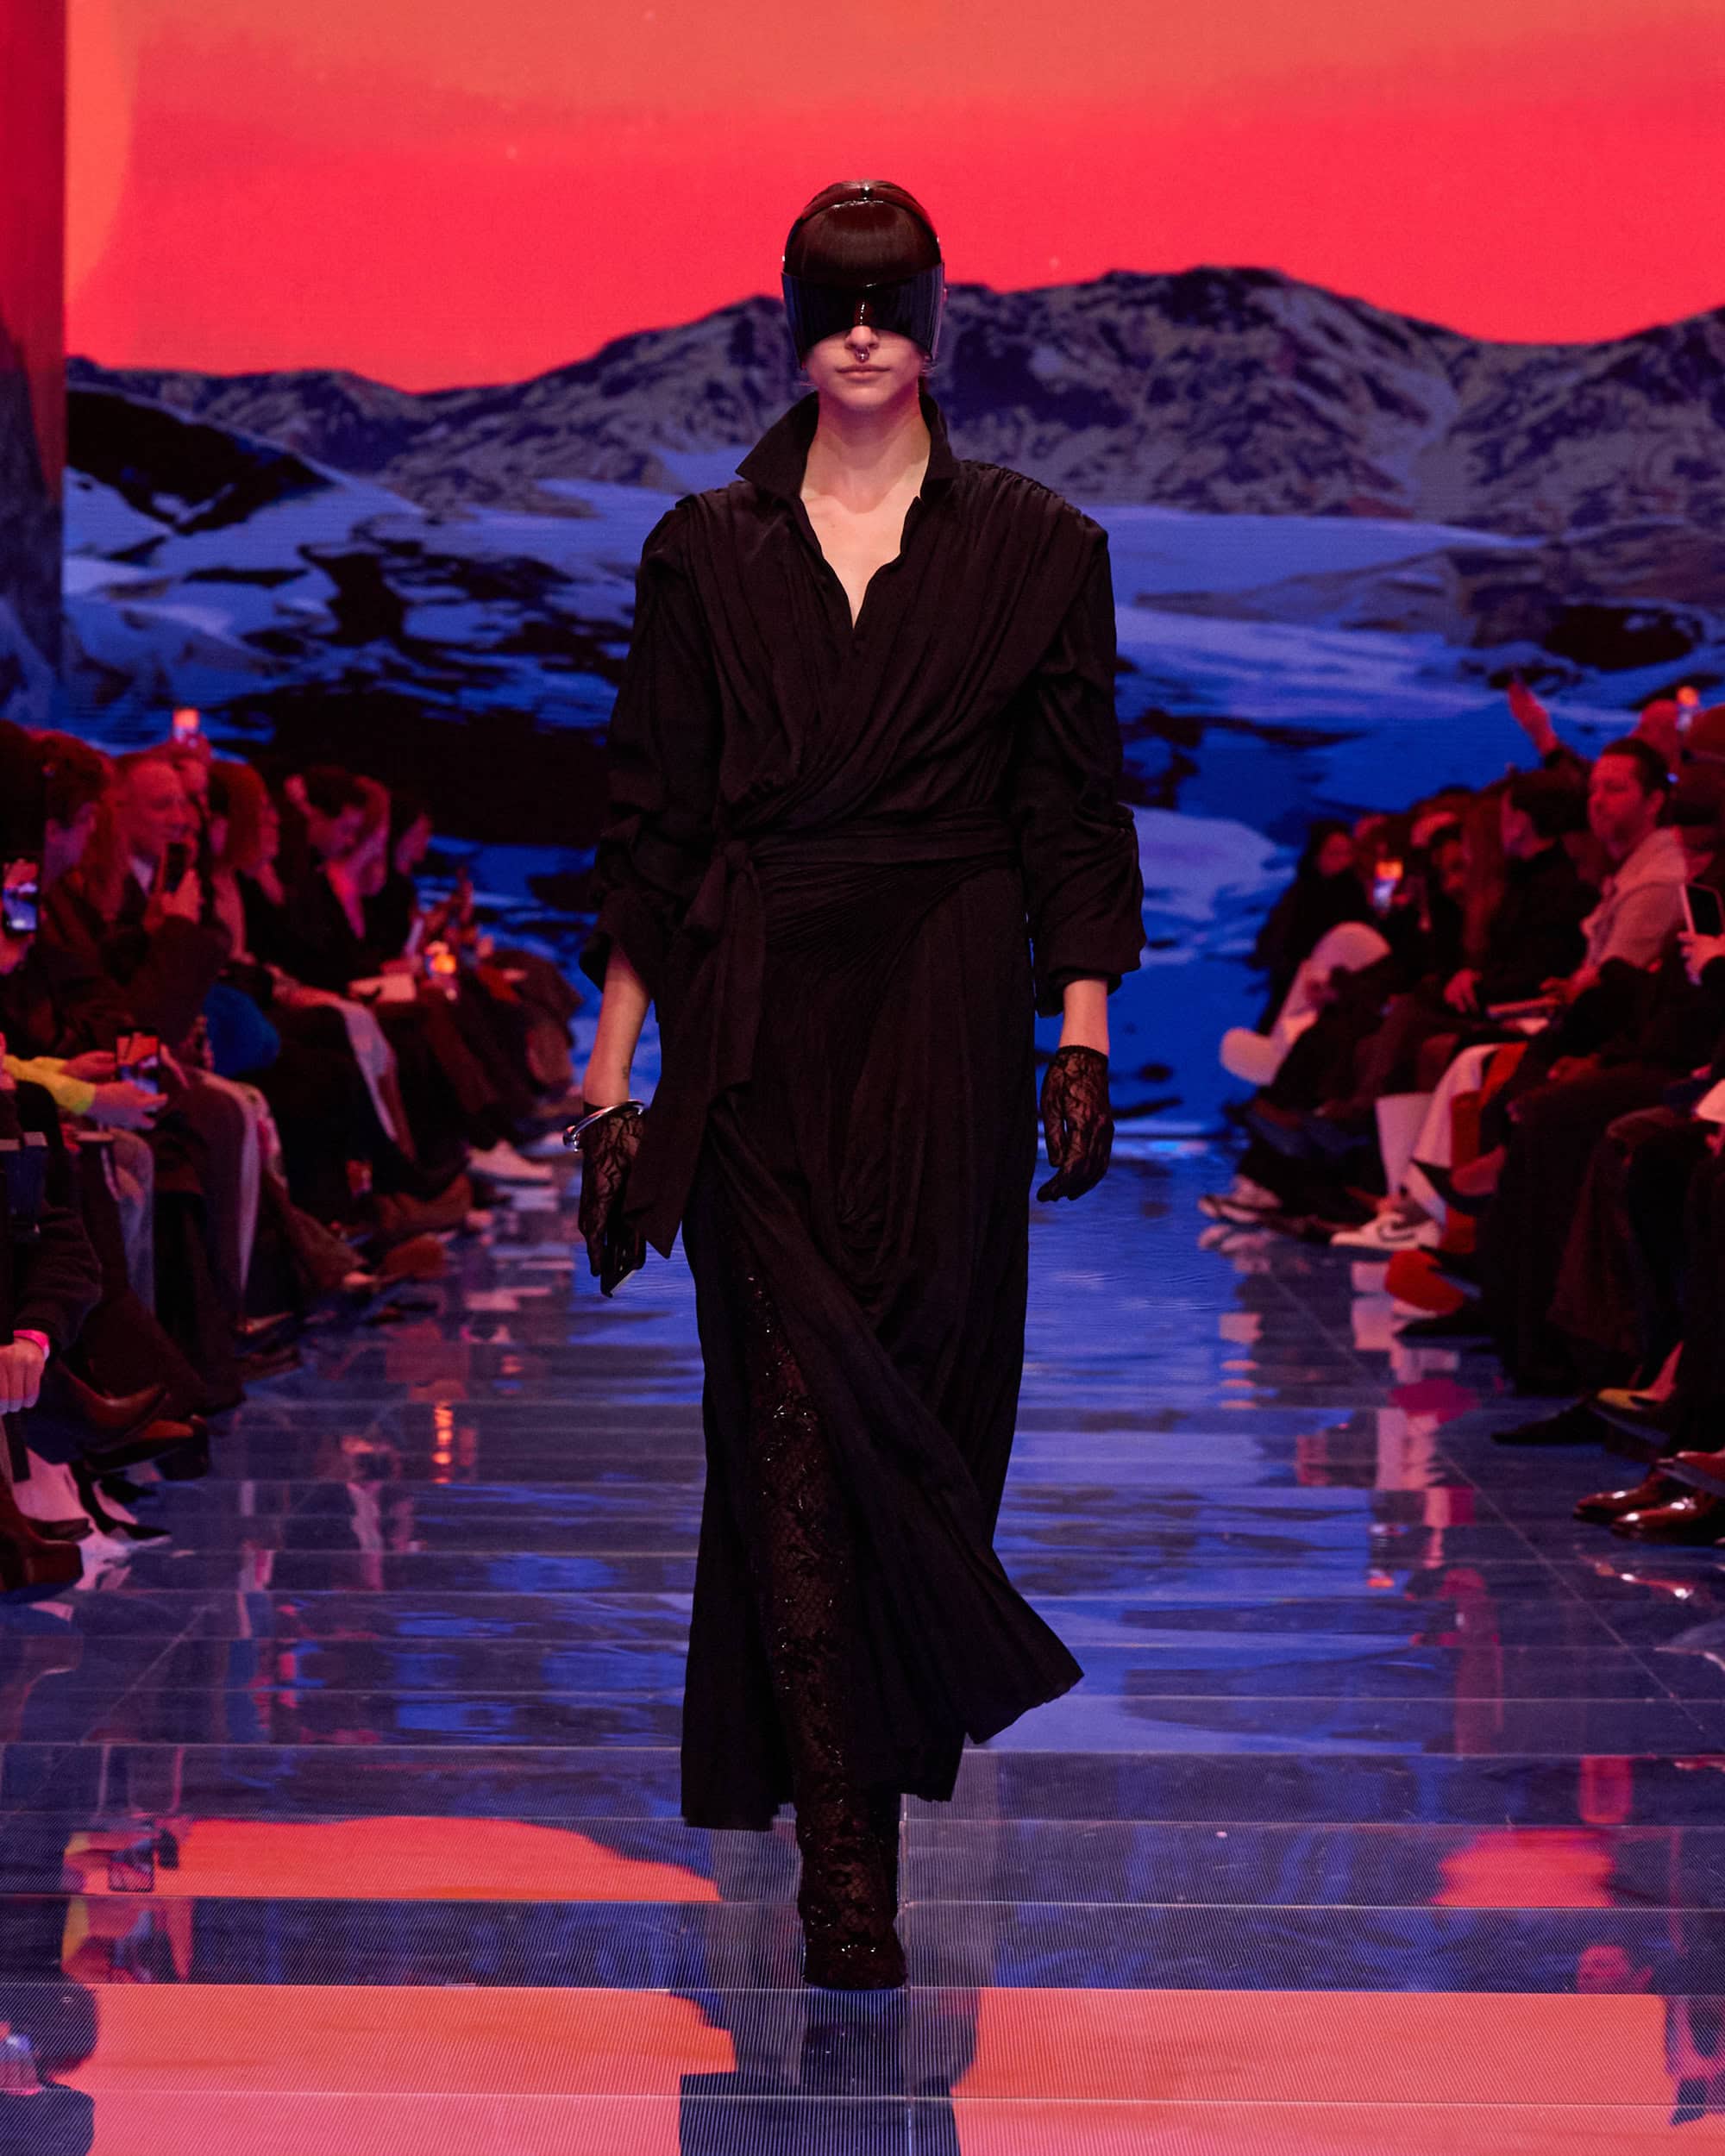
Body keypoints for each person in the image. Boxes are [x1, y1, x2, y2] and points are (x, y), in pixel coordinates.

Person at [574, 179, 1144, 1988]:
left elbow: (1070, 810)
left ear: (936, 315)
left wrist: (1077, 1033)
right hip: (754, 1035)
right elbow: (656, 832)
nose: (866, 332)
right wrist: (611, 1086)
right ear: (792, 320)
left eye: (892, 299)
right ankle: (846, 1869)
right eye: (835, 299)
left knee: (925, 1426)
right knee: (789, 1432)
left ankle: (873, 1792)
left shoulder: (1038, 548)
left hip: (947, 1016)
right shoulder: (704, 552)